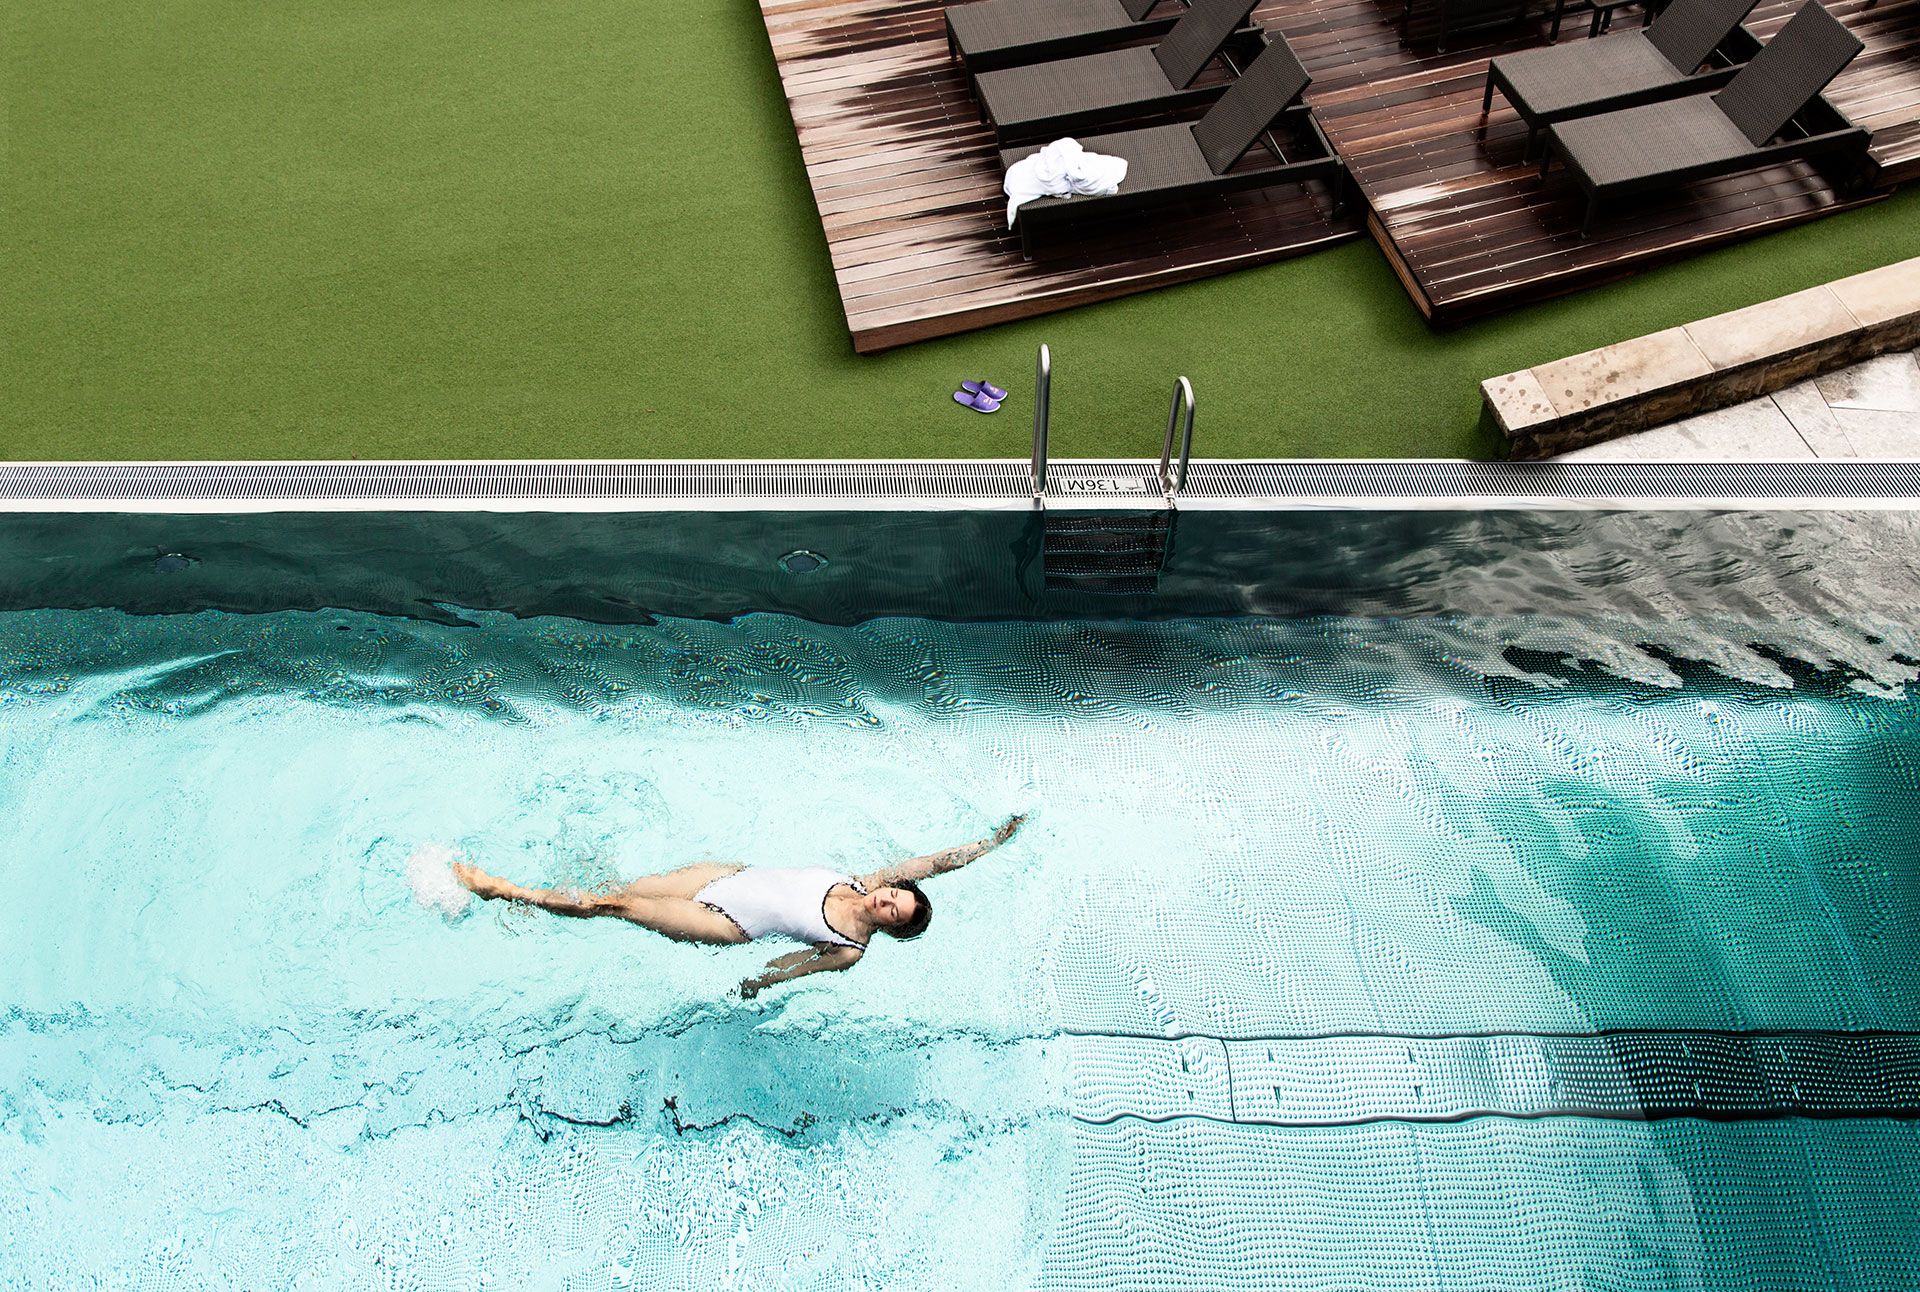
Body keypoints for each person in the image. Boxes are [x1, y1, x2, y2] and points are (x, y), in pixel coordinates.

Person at [451, 813, 1026, 999]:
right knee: (616, 885)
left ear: (889, 928)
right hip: (728, 874)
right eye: (898, 894)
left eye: (894, 911)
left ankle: (499, 888)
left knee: (616, 904)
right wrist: (994, 842)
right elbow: (936, 862)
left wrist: (752, 988)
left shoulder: (850, 949)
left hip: (727, 921)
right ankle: (538, 905)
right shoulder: (861, 878)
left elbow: (793, 968)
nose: (889, 899)